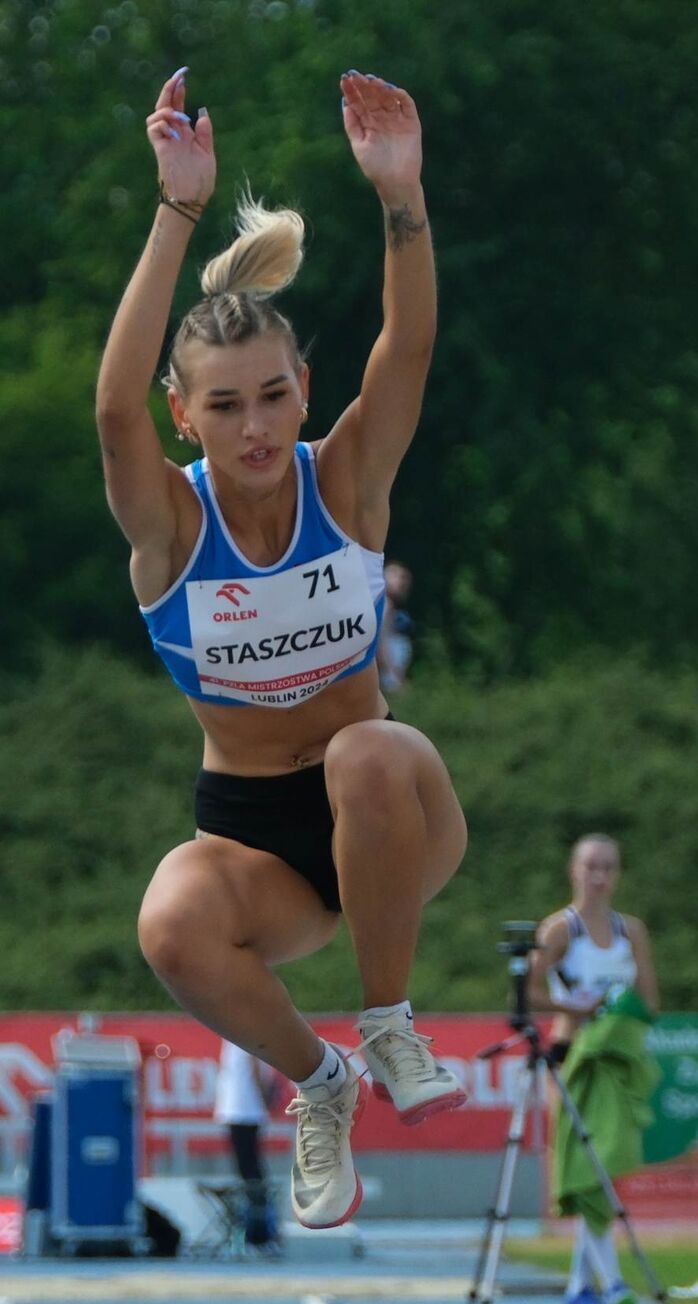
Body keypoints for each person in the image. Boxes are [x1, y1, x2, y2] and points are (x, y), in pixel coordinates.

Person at [96, 67, 468, 1233]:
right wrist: (176, 210)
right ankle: (323, 1084)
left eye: (272, 396)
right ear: (185, 416)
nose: (255, 428)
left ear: (304, 389)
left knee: (364, 750)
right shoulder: (172, 531)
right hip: (264, 844)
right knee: (168, 919)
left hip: (393, 806)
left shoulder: (343, 483)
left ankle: (390, 1021)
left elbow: (406, 349)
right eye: (224, 407)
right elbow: (107, 408)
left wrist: (400, 196)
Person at [528, 835, 659, 1304]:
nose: (600, 876)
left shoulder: (632, 931)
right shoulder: (562, 928)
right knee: (588, 1169)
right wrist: (573, 1006)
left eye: (608, 867)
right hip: (573, 1059)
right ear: (574, 871)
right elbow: (525, 990)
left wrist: (619, 1015)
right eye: (591, 867)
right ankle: (613, 1280)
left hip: (615, 1061)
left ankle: (580, 1287)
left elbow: (650, 999)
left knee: (604, 1168)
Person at [214, 1039, 282, 1249]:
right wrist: (265, 1098)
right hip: (243, 1107)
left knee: (250, 1173)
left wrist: (263, 1096)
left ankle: (259, 1228)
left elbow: (253, 1066)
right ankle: (257, 1227)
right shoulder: (240, 1033)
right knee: (252, 1172)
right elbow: (255, 1067)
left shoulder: (236, 1032)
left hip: (242, 1108)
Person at [379, 560, 415, 691]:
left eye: (403, 578)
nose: (401, 581)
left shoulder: (389, 606)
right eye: (394, 574)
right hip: (385, 675)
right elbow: (380, 641)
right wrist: (392, 674)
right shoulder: (384, 604)